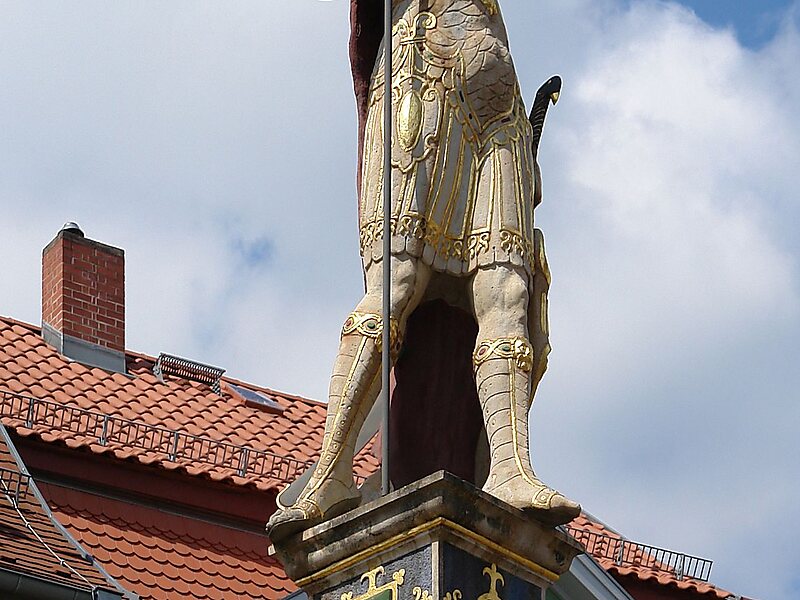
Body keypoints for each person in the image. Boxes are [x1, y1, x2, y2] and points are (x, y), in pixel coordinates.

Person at [266, 0, 579, 541]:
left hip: (497, 102)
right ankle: (331, 474)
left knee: (507, 292)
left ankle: (510, 469)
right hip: (420, 68)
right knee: (395, 287)